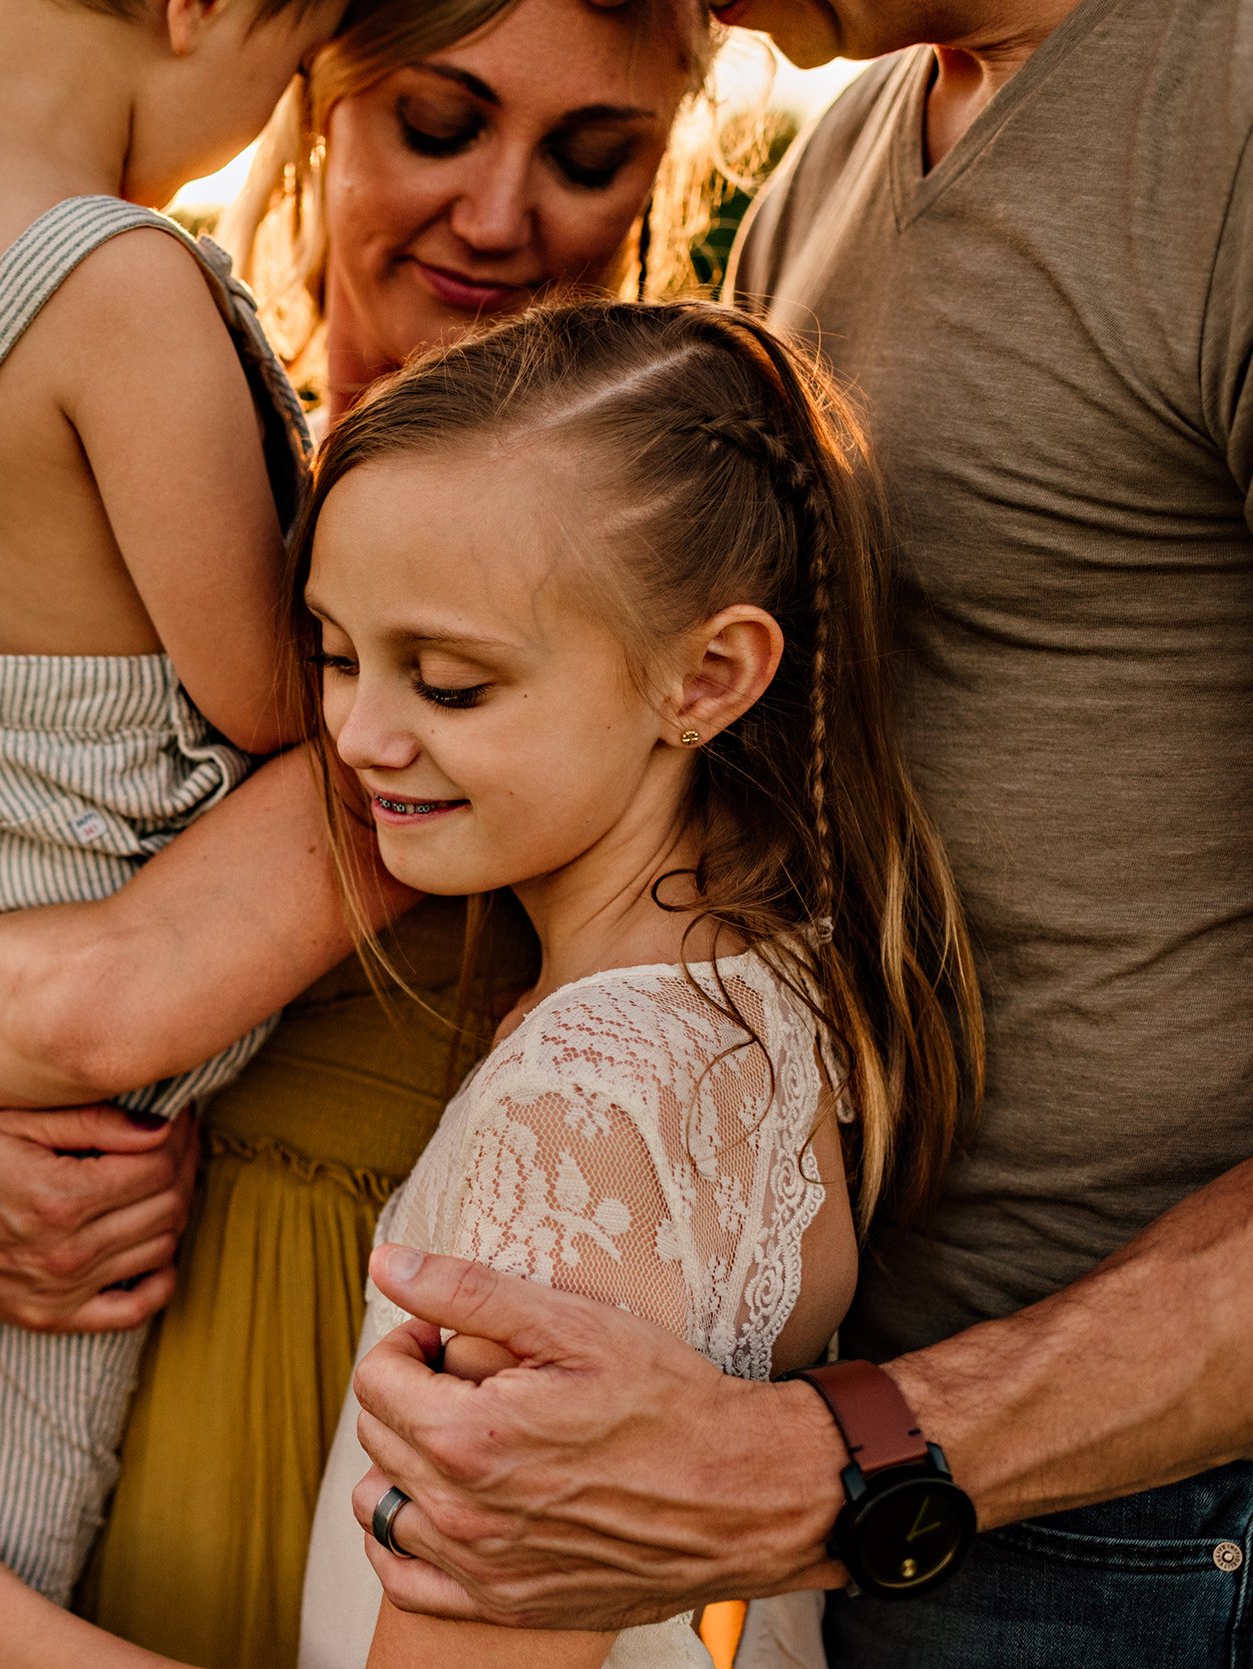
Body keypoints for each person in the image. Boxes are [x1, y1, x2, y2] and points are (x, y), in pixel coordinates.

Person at [0, 0, 713, 1660]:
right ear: (318, 101)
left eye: (590, 154)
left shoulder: (578, 605)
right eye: (436, 122)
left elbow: (85, 997)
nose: (500, 213)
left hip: (372, 1406)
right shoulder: (151, 446)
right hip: (92, 1315)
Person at [0, 294, 977, 1669]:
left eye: (451, 684)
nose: (360, 736)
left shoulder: (582, 1115)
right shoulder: (763, 986)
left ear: (709, 675)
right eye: (335, 652)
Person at [331, 0, 1253, 1664]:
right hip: (857, 1457)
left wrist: (853, 1453)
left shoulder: (1228, 108)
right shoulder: (845, 141)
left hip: (1155, 1520)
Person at [0, 0, 354, 1603]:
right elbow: (263, 697)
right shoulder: (116, 281)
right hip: (90, 1051)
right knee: (11, 1547)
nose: (277, 107)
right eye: (289, 55)